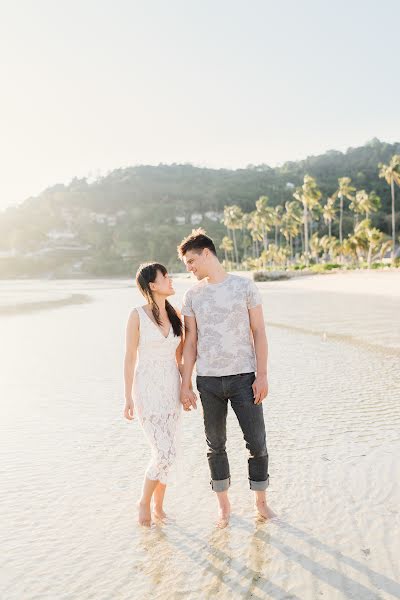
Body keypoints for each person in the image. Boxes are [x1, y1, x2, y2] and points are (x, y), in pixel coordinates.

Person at [178, 229, 274, 528]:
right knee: (215, 444)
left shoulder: (244, 287)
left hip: (245, 378)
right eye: (186, 264)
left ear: (207, 253)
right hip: (208, 381)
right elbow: (191, 342)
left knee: (256, 443)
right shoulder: (192, 295)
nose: (189, 268)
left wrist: (262, 375)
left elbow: (258, 332)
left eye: (192, 261)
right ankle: (224, 507)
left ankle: (261, 503)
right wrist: (186, 382)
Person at [123, 262, 195, 527]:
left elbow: (180, 359)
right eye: (166, 277)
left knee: (172, 451)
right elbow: (130, 357)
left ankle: (159, 507)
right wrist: (127, 397)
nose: (170, 280)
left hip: (171, 389)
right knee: (162, 452)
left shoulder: (175, 314)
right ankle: (143, 502)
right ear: (153, 285)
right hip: (147, 390)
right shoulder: (137, 315)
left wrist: (186, 387)